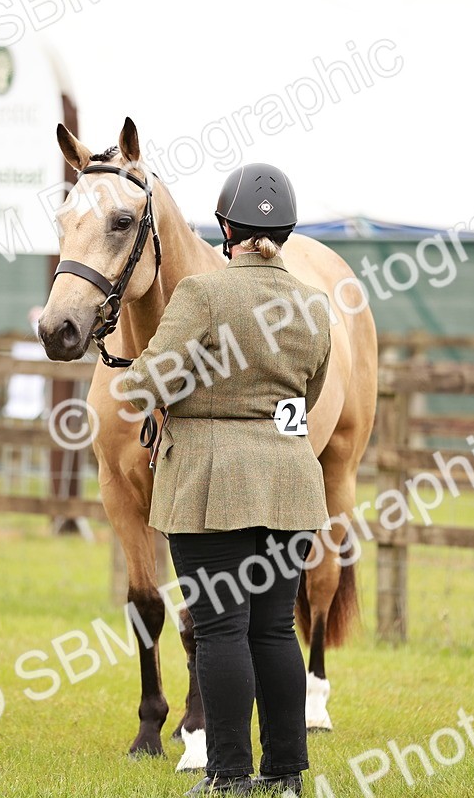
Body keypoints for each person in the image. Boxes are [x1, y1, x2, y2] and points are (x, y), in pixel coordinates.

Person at [122, 164, 331, 796]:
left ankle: (230, 776)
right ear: (286, 233)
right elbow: (311, 389)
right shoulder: (314, 305)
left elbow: (145, 387)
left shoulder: (202, 296)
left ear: (224, 227)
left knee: (219, 631)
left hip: (212, 488)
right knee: (273, 630)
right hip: (291, 484)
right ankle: (287, 775)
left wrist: (130, 371)